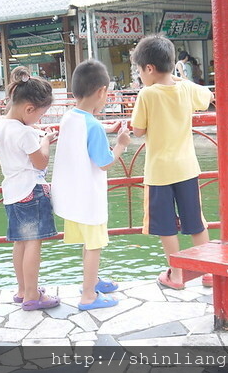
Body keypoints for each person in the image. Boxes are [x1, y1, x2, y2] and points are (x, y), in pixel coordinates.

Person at [129, 35, 215, 290]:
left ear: (149, 69)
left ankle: (176, 276)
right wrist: (178, 79)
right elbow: (207, 95)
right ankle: (209, 272)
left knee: (167, 226)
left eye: (138, 71)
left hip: (159, 172)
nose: (139, 76)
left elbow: (138, 130)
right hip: (187, 167)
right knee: (196, 222)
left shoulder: (147, 94)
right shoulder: (185, 88)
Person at [52, 60, 131, 311]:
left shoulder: (69, 117)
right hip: (89, 198)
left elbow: (83, 135)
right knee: (94, 245)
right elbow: (105, 162)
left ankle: (92, 281)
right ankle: (88, 295)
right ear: (101, 92)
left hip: (73, 197)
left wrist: (105, 128)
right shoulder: (93, 126)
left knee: (88, 243)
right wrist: (121, 144)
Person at [0, 66, 60, 311]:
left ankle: (22, 290)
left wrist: (33, 130)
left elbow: (17, 135)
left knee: (20, 243)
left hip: (12, 192)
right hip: (31, 190)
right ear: (29, 108)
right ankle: (33, 295)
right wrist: (44, 140)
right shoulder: (25, 134)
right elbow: (41, 161)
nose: (39, 120)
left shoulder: (0, 123)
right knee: (34, 243)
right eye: (39, 115)